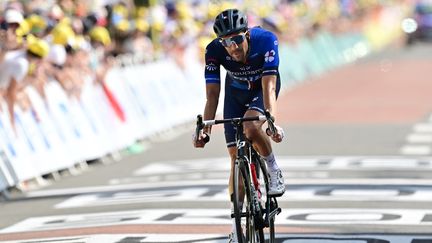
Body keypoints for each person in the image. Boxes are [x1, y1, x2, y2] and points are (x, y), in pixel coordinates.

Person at [193, 8, 285, 242]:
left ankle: (273, 169)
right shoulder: (214, 51)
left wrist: (271, 120)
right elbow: (212, 95)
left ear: (246, 34)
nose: (232, 47)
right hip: (235, 94)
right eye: (226, 42)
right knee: (235, 157)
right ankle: (236, 225)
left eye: (236, 39)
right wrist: (205, 129)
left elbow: (269, 88)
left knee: (252, 128)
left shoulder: (266, 41)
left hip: (261, 90)